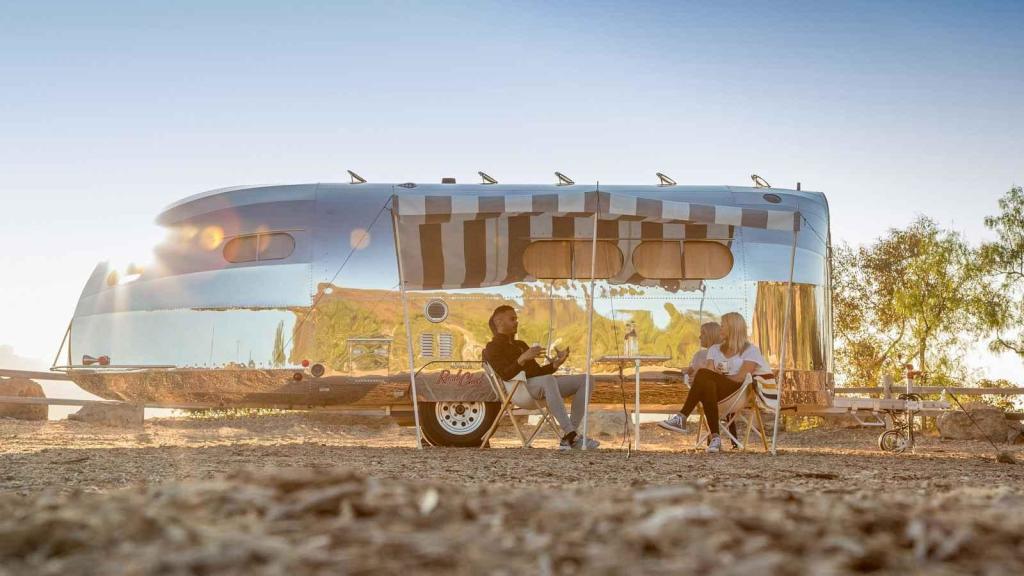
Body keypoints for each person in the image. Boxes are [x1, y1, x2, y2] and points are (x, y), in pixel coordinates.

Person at [482, 305, 599, 450]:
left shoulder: (521, 344)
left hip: (537, 386)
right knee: (548, 380)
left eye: (516, 319)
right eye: (512, 319)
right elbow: (505, 374)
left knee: (587, 380)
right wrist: (522, 358)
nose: (516, 322)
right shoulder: (492, 347)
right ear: (498, 321)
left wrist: (556, 364)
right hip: (518, 391)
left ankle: (570, 436)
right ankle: (571, 434)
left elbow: (537, 372)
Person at [658, 312, 772, 453]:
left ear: (733, 328)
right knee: (707, 384)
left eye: (722, 326)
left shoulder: (751, 350)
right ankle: (715, 439)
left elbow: (741, 377)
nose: (720, 330)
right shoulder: (714, 349)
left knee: (704, 376)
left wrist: (719, 376)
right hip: (716, 394)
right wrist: (717, 375)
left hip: (738, 393)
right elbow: (709, 373)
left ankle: (682, 418)